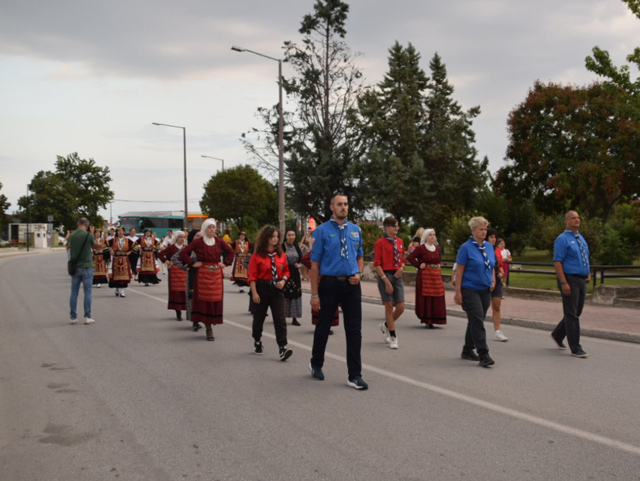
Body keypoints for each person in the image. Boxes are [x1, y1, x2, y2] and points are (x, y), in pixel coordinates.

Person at [309, 194, 368, 390]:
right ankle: (316, 363)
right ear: (331, 207)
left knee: (354, 330)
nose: (344, 207)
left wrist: (359, 274)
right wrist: (314, 294)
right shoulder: (321, 231)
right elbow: (315, 265)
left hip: (351, 285)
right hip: (329, 284)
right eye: (340, 204)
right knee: (323, 326)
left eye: (346, 204)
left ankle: (355, 375)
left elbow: (360, 257)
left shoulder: (355, 230)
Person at [179, 219, 234, 341]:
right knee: (204, 300)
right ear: (204, 229)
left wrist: (225, 263)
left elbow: (230, 252)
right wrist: (192, 263)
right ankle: (208, 328)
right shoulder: (198, 242)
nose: (212, 229)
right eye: (209, 227)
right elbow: (184, 253)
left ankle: (212, 320)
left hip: (216, 275)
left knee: (214, 299)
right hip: (203, 274)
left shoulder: (219, 241)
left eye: (213, 227)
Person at [454, 216, 496, 368]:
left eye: (485, 229)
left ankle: (467, 350)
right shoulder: (465, 248)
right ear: (473, 230)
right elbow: (459, 271)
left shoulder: (489, 247)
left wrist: (493, 279)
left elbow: (491, 265)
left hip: (485, 289)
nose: (484, 232)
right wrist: (458, 292)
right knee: (477, 320)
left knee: (476, 320)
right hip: (470, 288)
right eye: (480, 229)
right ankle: (483, 354)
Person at [247, 225, 293, 361]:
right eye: (273, 236)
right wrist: (254, 293)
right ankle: (257, 341)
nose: (275, 239)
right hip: (262, 288)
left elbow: (286, 271)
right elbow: (252, 276)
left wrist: (283, 281)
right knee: (258, 318)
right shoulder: (257, 256)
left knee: (280, 319)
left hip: (277, 290)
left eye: (277, 237)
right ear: (266, 238)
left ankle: (282, 347)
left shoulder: (281, 255)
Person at [551, 211, 591, 358]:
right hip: (569, 279)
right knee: (571, 313)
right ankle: (576, 347)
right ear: (567, 221)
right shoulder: (562, 239)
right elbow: (557, 262)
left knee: (577, 311)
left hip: (581, 279)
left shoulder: (580, 238)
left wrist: (588, 271)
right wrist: (564, 282)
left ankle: (557, 334)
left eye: (578, 218)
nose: (577, 220)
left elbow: (585, 256)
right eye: (573, 218)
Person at [373, 216, 406, 349]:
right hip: (385, 275)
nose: (396, 229)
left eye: (397, 226)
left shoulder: (400, 242)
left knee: (401, 307)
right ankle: (393, 337)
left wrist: (402, 268)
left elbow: (403, 259)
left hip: (397, 275)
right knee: (388, 306)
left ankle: (385, 325)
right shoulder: (380, 243)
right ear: (386, 227)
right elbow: (377, 264)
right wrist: (386, 281)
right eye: (394, 226)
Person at [407, 228, 447, 328]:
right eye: (430, 235)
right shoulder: (421, 248)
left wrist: (438, 264)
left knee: (438, 296)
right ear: (425, 237)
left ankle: (436, 318)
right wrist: (419, 265)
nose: (432, 236)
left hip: (436, 276)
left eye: (434, 235)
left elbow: (439, 259)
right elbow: (410, 258)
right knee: (427, 297)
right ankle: (428, 319)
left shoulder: (437, 249)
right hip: (425, 275)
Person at [67, 218, 99, 325]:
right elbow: (95, 246)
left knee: (74, 292)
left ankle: (73, 317)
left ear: (78, 224)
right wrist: (93, 234)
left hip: (75, 267)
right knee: (87, 292)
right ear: (87, 225)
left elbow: (69, 247)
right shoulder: (89, 235)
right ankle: (87, 316)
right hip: (87, 266)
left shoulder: (72, 236)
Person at [158, 230, 187, 321]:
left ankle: (186, 309)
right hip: (174, 272)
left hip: (184, 271)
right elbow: (160, 254)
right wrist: (166, 261)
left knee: (185, 291)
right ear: (176, 238)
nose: (182, 239)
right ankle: (178, 311)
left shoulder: (186, 248)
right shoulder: (171, 247)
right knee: (176, 291)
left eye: (183, 237)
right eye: (180, 237)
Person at [487, 228, 508, 342]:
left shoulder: (497, 250)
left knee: (497, 306)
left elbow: (499, 265)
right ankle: (474, 328)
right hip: (486, 280)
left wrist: (501, 272)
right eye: (491, 237)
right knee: (482, 307)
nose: (494, 239)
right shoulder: (483, 250)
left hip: (497, 280)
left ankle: (498, 331)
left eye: (495, 237)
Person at [282, 230, 303, 326]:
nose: (291, 237)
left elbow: (301, 259)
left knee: (295, 293)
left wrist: (298, 264)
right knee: (284, 293)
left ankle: (294, 317)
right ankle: (282, 317)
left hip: (295, 273)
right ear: (286, 236)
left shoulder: (296, 247)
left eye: (293, 235)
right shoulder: (282, 247)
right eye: (289, 235)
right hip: (285, 272)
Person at [109, 227, 133, 297]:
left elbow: (135, 246)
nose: (120, 232)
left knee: (124, 276)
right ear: (117, 232)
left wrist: (129, 252)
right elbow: (105, 245)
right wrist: (110, 251)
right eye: (119, 231)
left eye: (121, 231)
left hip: (124, 259)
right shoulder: (113, 240)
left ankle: (122, 291)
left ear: (123, 232)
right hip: (116, 259)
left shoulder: (127, 240)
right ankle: (117, 288)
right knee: (116, 275)